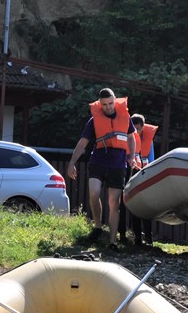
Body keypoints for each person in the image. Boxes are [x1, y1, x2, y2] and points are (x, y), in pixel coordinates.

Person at [67, 88, 137, 250]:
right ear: (100, 104)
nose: (108, 107)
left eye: (111, 103)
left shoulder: (125, 117)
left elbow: (131, 137)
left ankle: (112, 241)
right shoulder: (94, 121)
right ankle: (98, 226)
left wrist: (131, 156)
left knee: (114, 203)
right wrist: (72, 162)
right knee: (94, 192)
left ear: (114, 101)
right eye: (104, 104)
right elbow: (83, 142)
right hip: (98, 161)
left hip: (118, 165)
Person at [119, 113, 157, 245]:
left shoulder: (148, 142)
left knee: (144, 207)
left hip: (143, 176)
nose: (136, 132)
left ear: (143, 128)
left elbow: (151, 161)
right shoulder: (127, 139)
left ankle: (148, 238)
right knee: (125, 205)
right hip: (128, 175)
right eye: (133, 129)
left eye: (138, 129)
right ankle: (128, 236)